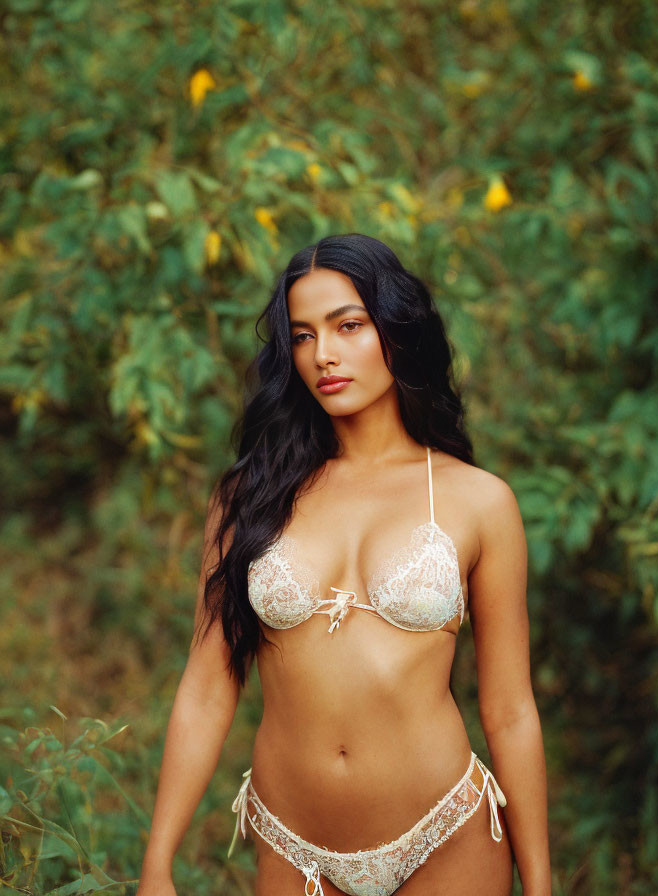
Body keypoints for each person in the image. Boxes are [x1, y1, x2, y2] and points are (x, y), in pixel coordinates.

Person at [136, 233, 551, 896]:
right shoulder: (251, 498)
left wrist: (541, 883)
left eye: (348, 326)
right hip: (294, 843)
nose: (323, 354)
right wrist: (157, 864)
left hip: (447, 836)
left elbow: (509, 710)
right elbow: (208, 688)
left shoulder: (478, 500)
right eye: (301, 336)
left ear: (396, 330)